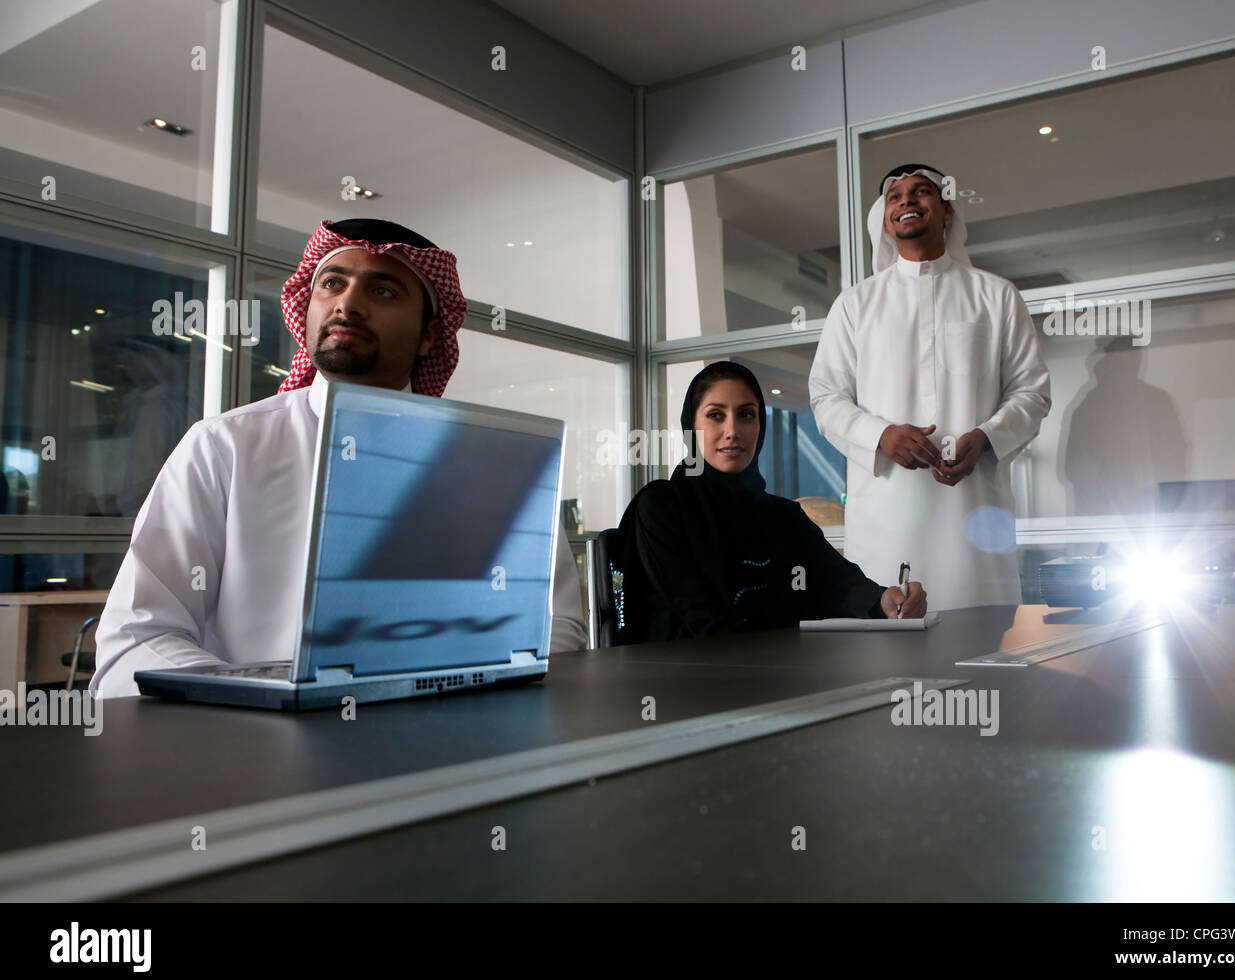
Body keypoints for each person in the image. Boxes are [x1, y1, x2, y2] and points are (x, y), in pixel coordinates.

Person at [91, 218, 586, 697]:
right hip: (253, 756)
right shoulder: (226, 447)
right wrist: (265, 704)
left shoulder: (489, 464)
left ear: (430, 335)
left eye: (383, 291)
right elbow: (137, 638)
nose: (347, 304)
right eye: (332, 283)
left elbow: (557, 624)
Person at [808, 164, 1050, 610]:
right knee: (884, 661)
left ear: (947, 212)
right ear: (884, 220)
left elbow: (1031, 392)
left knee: (979, 657)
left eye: (921, 192)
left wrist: (987, 437)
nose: (907, 201)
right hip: (885, 518)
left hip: (973, 518)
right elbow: (826, 397)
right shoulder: (855, 305)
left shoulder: (995, 296)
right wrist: (881, 435)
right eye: (895, 197)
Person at [609, 361, 924, 643]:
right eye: (715, 416)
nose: (732, 430)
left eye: (746, 415)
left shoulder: (783, 517)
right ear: (691, 428)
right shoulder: (663, 506)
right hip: (688, 692)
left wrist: (886, 600)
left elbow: (839, 583)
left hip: (780, 683)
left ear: (760, 427)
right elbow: (703, 621)